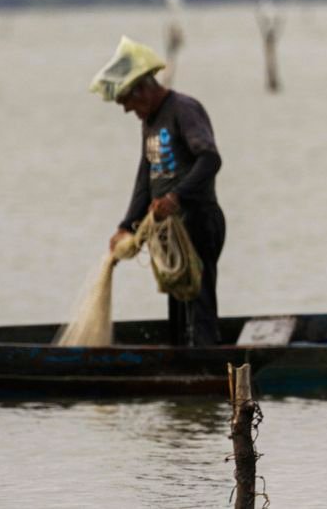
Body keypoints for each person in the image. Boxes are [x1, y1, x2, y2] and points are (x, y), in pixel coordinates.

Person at [89, 36, 226, 346]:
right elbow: (145, 176)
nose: (127, 110)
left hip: (198, 219)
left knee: (198, 295)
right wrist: (126, 225)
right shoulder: (149, 120)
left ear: (143, 89)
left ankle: (205, 364)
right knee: (177, 299)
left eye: (127, 101)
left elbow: (210, 159)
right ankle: (180, 360)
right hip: (166, 227)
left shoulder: (184, 110)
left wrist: (176, 197)